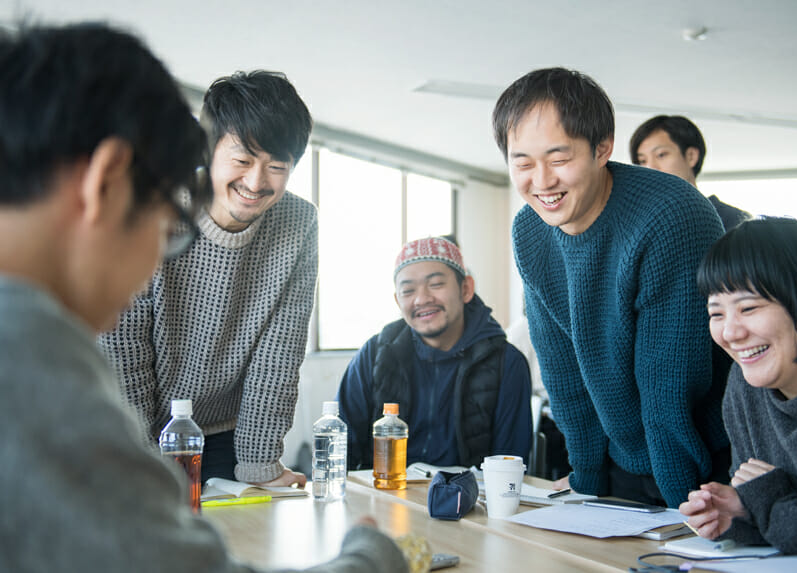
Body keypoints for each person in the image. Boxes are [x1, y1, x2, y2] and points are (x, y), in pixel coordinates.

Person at [0, 22, 407, 573]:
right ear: (107, 180)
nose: (158, 258)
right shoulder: (31, 357)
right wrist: (373, 558)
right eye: (166, 216)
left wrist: (257, 459)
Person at [492, 67, 730, 508]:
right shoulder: (530, 230)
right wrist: (587, 480)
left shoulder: (670, 214)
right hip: (623, 457)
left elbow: (671, 382)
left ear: (603, 148)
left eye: (559, 159)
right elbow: (562, 371)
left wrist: (682, 506)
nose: (541, 182)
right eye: (522, 162)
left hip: (703, 461)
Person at [99, 69, 318, 487]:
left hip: (225, 437)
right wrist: (143, 466)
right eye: (242, 160)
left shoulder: (299, 223)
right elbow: (121, 351)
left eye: (277, 166)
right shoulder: (152, 209)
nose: (256, 182)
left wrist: (259, 466)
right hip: (130, 432)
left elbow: (279, 354)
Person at [680, 217, 797, 564]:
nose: (730, 333)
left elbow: (782, 509)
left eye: (748, 308)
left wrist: (772, 506)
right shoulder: (745, 389)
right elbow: (776, 513)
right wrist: (743, 515)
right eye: (716, 313)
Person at [337, 237, 532, 469]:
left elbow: (509, 464)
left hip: (469, 500)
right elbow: (341, 446)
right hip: (384, 496)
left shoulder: (506, 362)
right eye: (408, 290)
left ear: (466, 289)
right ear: (398, 301)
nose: (422, 299)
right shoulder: (376, 354)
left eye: (436, 284)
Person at [630, 115, 751, 230]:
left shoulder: (736, 222)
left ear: (691, 156)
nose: (650, 168)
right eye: (642, 161)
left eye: (661, 155)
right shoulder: (639, 226)